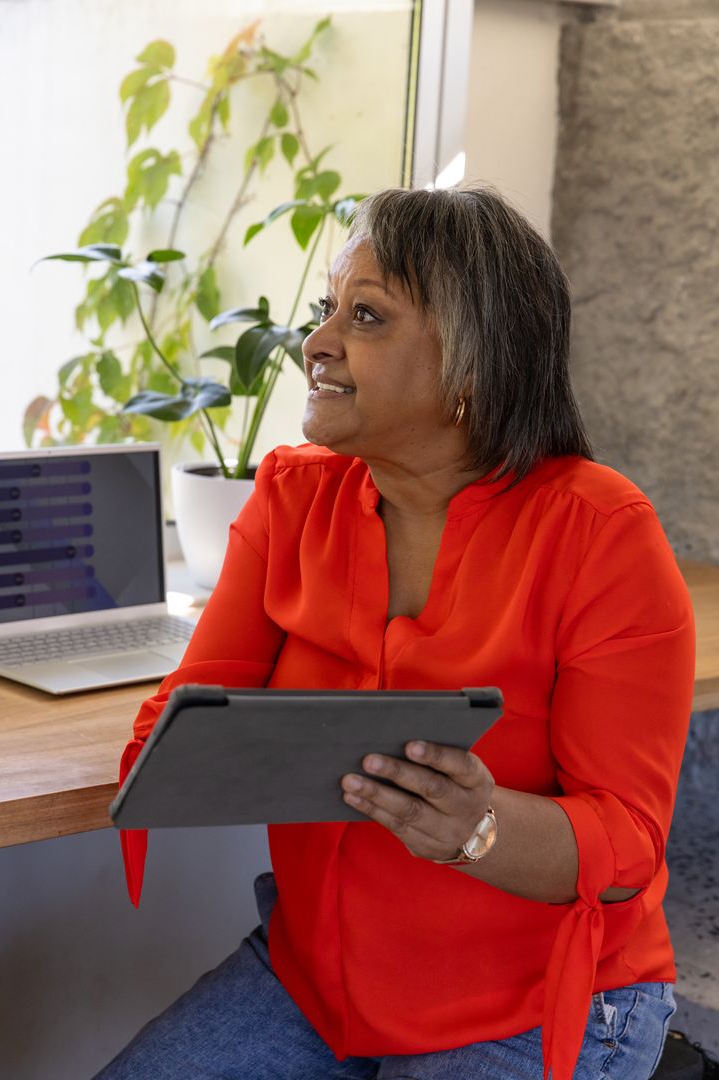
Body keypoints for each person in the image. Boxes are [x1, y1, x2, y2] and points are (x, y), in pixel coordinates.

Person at [96, 184, 695, 1080]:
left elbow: (626, 847)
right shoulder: (292, 496)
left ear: (471, 368)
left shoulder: (600, 535)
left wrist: (477, 827)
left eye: (366, 317)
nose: (317, 344)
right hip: (313, 982)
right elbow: (191, 710)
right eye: (326, 309)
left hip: (536, 1001)